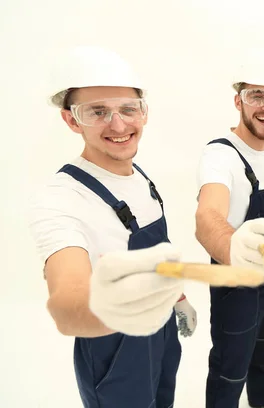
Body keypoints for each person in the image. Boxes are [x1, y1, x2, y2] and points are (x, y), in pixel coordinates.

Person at [28, 45, 197, 408]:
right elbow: (67, 302)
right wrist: (124, 308)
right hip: (114, 350)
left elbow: (157, 254)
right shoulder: (61, 199)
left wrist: (176, 297)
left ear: (144, 112)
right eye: (98, 112)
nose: (119, 125)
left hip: (160, 328)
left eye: (127, 109)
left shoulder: (140, 177)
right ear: (72, 120)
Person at [194, 56, 264, 408]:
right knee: (229, 366)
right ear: (238, 101)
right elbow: (208, 216)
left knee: (262, 350)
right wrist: (233, 248)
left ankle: (262, 399)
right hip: (235, 286)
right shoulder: (220, 157)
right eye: (256, 96)